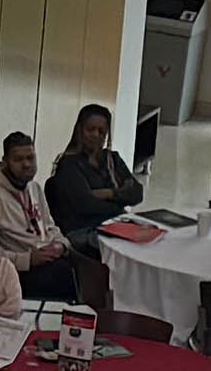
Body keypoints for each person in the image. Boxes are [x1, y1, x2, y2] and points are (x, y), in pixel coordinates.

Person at [0, 126, 78, 302]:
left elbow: (50, 227)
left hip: (46, 260)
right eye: (18, 159)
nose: (26, 164)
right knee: (64, 277)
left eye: (30, 158)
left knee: (81, 264)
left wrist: (61, 245)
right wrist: (27, 259)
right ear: (5, 161)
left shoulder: (34, 188)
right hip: (15, 271)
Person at [48, 97, 148, 269]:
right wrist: (120, 197)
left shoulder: (112, 159)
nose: (96, 135)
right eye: (91, 129)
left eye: (102, 131)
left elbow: (137, 193)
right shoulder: (69, 164)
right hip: (81, 229)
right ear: (80, 130)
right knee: (129, 251)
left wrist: (109, 193)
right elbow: (86, 205)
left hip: (111, 223)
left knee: (150, 240)